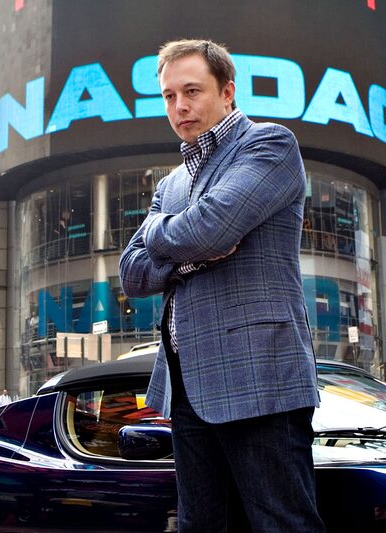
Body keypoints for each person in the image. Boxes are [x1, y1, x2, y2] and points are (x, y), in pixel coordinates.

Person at [119, 39, 324, 531]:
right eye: (168, 96)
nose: (179, 107)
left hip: (259, 377)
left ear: (228, 91)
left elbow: (208, 228)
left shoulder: (269, 145)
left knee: (283, 526)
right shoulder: (171, 184)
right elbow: (131, 272)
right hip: (186, 385)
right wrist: (183, 253)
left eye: (192, 91)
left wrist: (164, 234)